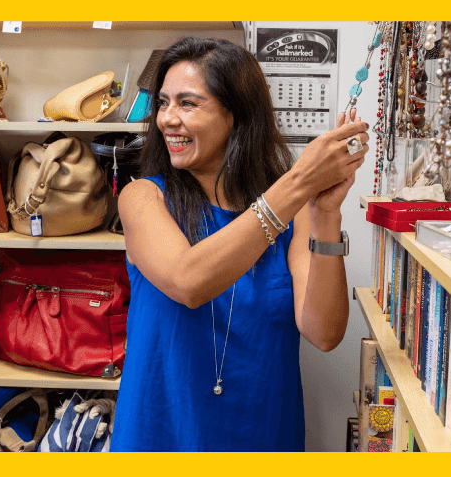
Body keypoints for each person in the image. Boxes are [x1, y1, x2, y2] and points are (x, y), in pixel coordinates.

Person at [111, 37, 369, 451]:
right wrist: (300, 181)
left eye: (187, 103)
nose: (166, 119)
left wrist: (325, 214)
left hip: (262, 435)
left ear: (237, 115)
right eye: (163, 103)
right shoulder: (143, 198)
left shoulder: (296, 214)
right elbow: (189, 281)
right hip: (163, 437)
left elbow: (323, 333)